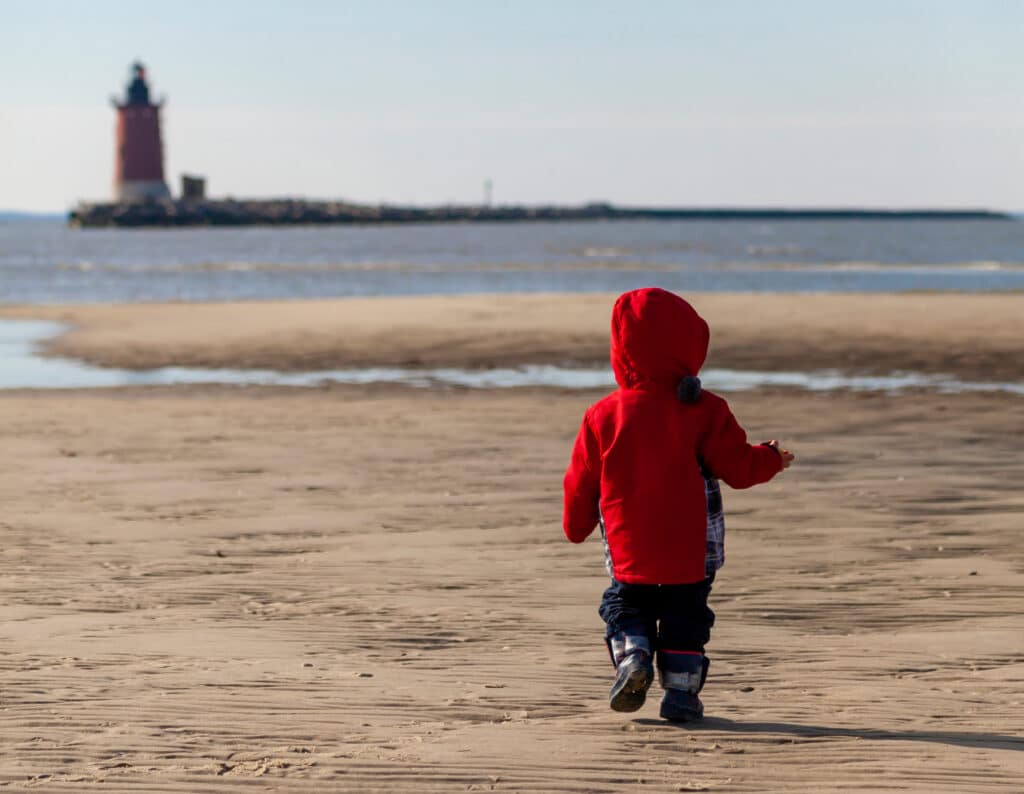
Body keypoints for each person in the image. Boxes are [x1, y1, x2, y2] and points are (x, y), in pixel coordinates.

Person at [562, 287, 794, 722]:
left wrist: (575, 525)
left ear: (622, 349)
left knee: (625, 606)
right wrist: (771, 458)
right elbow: (739, 467)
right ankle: (682, 693)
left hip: (632, 547)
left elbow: (581, 480)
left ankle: (633, 655)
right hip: (693, 549)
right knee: (686, 616)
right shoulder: (705, 409)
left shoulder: (602, 414)